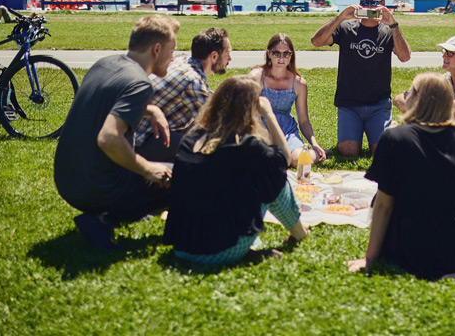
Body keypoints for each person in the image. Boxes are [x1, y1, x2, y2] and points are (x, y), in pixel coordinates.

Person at [348, 72, 455, 279]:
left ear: (418, 100)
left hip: (413, 241)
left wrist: (370, 258)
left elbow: (384, 203)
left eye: (409, 92)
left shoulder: (394, 138)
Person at [53, 15, 179, 250]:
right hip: (98, 187)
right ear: (157, 48)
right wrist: (147, 169)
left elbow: (103, 104)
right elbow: (108, 138)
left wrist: (150, 110)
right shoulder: (140, 83)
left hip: (68, 181)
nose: (173, 58)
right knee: (188, 175)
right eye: (172, 51)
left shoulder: (106, 63)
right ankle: (108, 217)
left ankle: (101, 219)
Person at [163, 75, 309, 264]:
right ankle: (299, 232)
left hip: (182, 246)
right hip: (224, 249)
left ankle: (248, 250)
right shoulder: (247, 146)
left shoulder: (191, 139)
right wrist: (269, 115)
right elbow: (283, 158)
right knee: (272, 174)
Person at [310, 0, 411, 157]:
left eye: (374, 3)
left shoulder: (388, 31)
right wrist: (340, 17)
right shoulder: (346, 28)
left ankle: (391, 126)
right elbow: (316, 41)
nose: (369, 6)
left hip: (378, 104)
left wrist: (393, 24)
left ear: (383, 3)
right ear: (359, 3)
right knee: (349, 152)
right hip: (349, 104)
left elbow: (404, 57)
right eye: (365, 2)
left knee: (381, 152)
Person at [133, 27, 232, 162]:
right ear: (214, 56)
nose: (230, 58)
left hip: (133, 132)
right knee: (205, 145)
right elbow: (215, 124)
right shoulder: (193, 81)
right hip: (140, 142)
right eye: (228, 53)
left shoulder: (182, 61)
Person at [393, 35, 455, 150]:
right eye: (444, 52)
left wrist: (439, 106)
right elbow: (398, 100)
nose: (444, 56)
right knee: (412, 107)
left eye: (450, 53)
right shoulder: (441, 81)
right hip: (445, 135)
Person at [247, 33, 326, 167]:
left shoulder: (299, 83)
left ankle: (315, 153)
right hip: (259, 127)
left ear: (292, 55)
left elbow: (304, 120)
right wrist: (268, 139)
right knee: (263, 159)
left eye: (286, 53)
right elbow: (252, 113)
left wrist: (314, 142)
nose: (281, 58)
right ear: (269, 54)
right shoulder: (257, 76)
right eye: (276, 53)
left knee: (298, 160)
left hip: (286, 130)